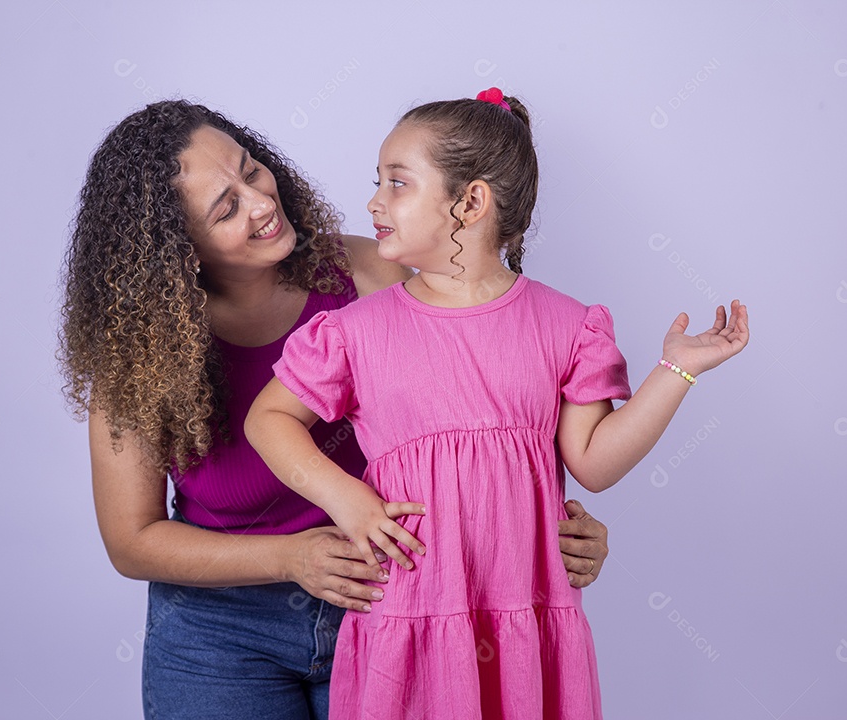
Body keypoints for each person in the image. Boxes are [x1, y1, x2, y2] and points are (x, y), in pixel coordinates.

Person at [58, 99, 614, 720]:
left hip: (392, 599)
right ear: (173, 249)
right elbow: (131, 541)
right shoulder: (137, 357)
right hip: (220, 631)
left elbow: (491, 402)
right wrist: (291, 558)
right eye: (227, 207)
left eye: (252, 171)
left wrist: (546, 526)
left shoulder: (377, 272)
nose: (263, 203)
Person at [245, 88, 750, 719]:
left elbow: (594, 463)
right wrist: (344, 497)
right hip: (408, 612)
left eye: (398, 184)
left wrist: (677, 370)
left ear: (470, 202)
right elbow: (268, 419)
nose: (374, 201)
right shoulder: (356, 331)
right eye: (377, 182)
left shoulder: (568, 325)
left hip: (526, 617)